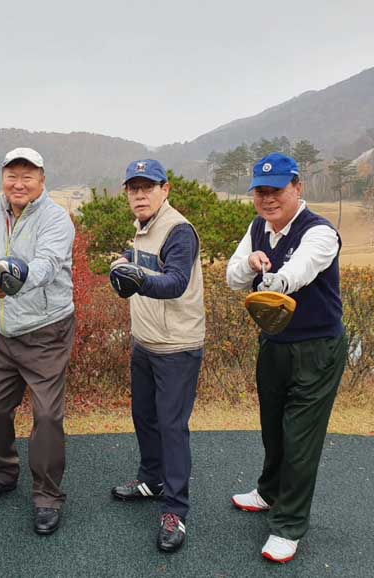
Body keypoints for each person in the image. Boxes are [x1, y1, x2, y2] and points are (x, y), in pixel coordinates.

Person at [226, 152, 348, 563]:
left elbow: (301, 269)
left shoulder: (320, 232)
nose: (268, 198)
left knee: (300, 438)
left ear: (297, 187)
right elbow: (232, 277)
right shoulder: (257, 228)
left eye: (276, 189)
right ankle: (269, 491)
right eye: (260, 191)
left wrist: (273, 279)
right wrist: (249, 262)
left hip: (317, 348)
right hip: (275, 344)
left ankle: (289, 526)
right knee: (273, 427)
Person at [0, 147, 76, 535]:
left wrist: (12, 283)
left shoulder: (56, 219)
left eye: (27, 176)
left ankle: (48, 495)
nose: (18, 183)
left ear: (41, 180)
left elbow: (46, 265)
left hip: (47, 331)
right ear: (3, 178)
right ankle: (2, 473)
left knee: (46, 416)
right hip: (4, 329)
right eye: (12, 176)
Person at [109, 159, 205, 553]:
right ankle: (151, 480)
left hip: (177, 347)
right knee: (144, 417)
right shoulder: (143, 227)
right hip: (145, 342)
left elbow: (176, 282)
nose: (140, 195)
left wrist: (136, 279)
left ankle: (175, 510)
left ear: (165, 189)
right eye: (133, 188)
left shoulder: (178, 230)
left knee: (172, 427)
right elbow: (141, 266)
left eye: (147, 187)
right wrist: (124, 264)